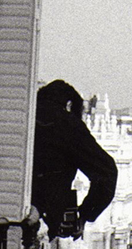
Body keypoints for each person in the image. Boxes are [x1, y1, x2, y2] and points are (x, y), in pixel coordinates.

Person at [30, 80, 118, 239]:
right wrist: (84, 214)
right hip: (48, 217)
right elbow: (108, 172)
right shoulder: (69, 125)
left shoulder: (25, 114)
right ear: (69, 104)